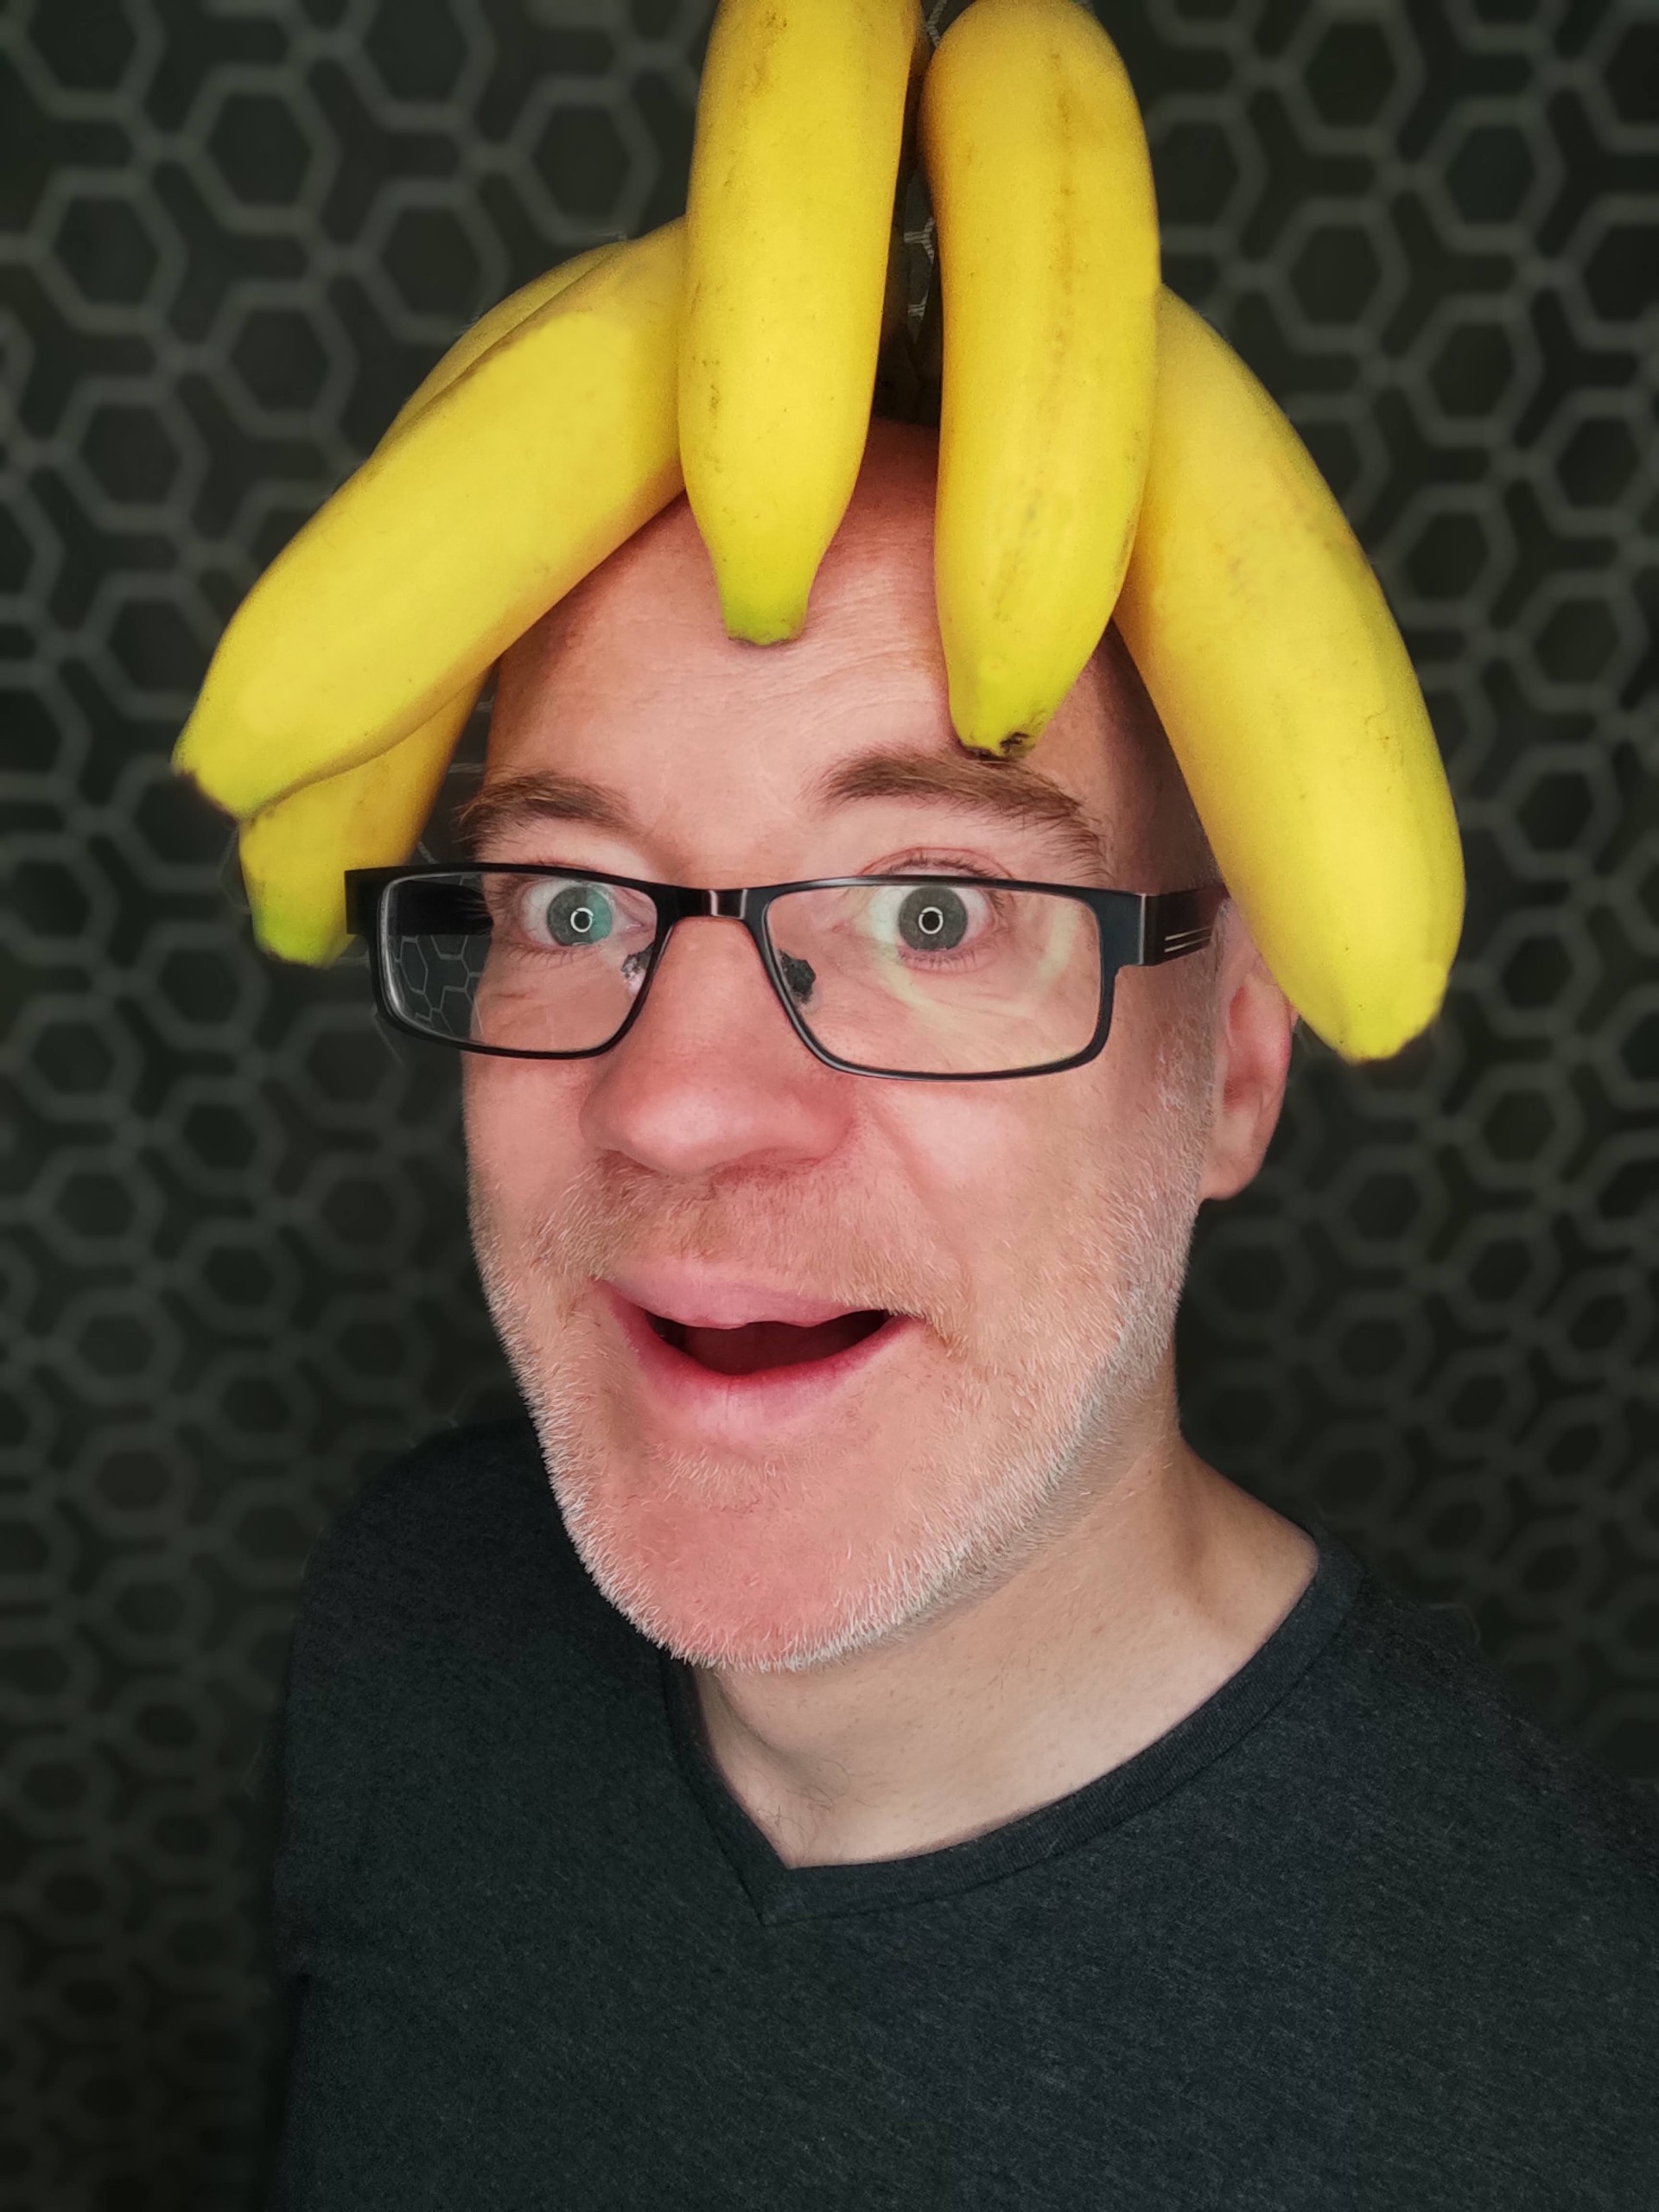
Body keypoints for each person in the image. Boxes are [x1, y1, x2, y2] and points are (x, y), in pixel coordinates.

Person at [261, 424, 1657, 2209]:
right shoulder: (405, 1607)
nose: (677, 1105)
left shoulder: (1570, 2082)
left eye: (935, 910)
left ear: (1236, 1060)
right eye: (571, 900)